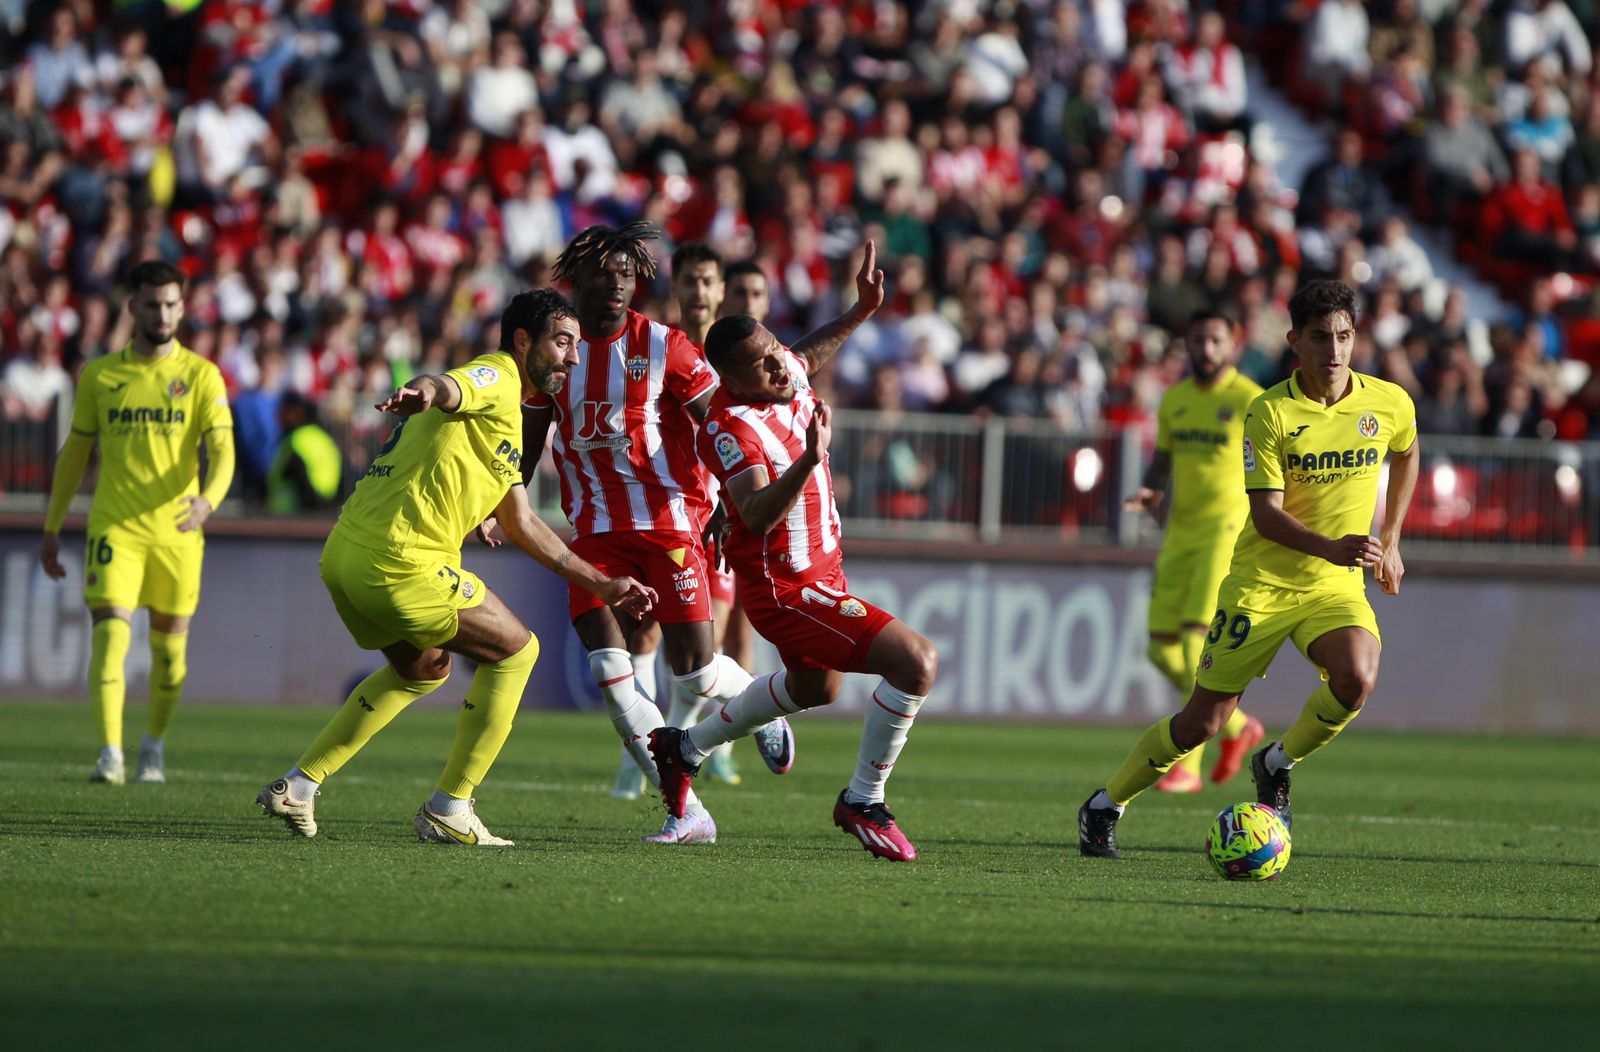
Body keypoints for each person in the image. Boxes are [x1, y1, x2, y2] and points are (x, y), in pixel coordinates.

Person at [256, 289, 654, 844]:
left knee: (421, 670)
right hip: (403, 561)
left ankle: (299, 784)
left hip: (347, 555)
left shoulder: (511, 419)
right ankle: (451, 806)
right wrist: (425, 389)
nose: (573, 357)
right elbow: (450, 386)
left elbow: (521, 523)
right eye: (562, 342)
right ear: (523, 341)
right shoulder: (498, 374)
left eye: (577, 346)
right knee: (519, 652)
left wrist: (603, 584)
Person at [1080, 280, 1420, 858]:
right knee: (1201, 725)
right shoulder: (1269, 411)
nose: (1333, 351)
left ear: (1355, 336)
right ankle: (1104, 805)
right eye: (1319, 338)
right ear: (1294, 341)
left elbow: (1409, 450)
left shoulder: (1388, 402)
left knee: (1357, 678)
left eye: (1342, 336)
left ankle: (1275, 762)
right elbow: (1265, 515)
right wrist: (1334, 547)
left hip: (1333, 585)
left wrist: (1389, 540)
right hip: (1261, 586)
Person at [650, 241, 940, 862]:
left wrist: (860, 311)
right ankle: (863, 799)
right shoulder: (729, 428)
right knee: (916, 663)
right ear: (729, 381)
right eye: (761, 366)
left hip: (822, 570)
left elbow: (808, 352)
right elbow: (753, 511)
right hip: (786, 588)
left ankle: (685, 748)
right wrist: (809, 460)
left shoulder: (786, 370)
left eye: (774, 350)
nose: (779, 368)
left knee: (816, 688)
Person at [521, 222, 767, 845]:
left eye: (626, 275)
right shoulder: (555, 352)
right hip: (593, 534)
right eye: (603, 273)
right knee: (612, 675)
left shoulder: (664, 346)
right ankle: (685, 810)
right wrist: (507, 499)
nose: (615, 285)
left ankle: (766, 705)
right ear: (578, 279)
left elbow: (722, 421)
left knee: (697, 675)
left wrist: (729, 497)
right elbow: (529, 433)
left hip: (667, 525)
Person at [608, 242, 792, 799]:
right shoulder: (659, 347)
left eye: (708, 282)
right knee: (645, 629)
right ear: (677, 287)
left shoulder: (739, 355)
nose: (698, 292)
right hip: (666, 504)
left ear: (719, 289)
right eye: (689, 281)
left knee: (705, 639)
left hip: (720, 504)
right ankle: (649, 755)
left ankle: (691, 746)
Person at [41, 259, 236, 785]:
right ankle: (110, 753)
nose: (163, 313)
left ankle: (152, 744)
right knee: (110, 638)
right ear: (133, 308)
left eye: (172, 303)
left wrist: (209, 502)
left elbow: (223, 450)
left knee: (170, 659)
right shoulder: (101, 376)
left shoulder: (201, 375)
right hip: (115, 529)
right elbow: (73, 456)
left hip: (177, 531)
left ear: (183, 306)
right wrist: (53, 526)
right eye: (152, 304)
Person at [1124, 310, 1265, 795]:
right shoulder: (1177, 398)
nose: (1206, 349)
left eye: (1215, 340)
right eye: (1198, 340)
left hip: (1224, 530)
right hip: (1179, 531)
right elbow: (1164, 454)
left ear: (1233, 343)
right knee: (1160, 649)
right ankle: (1237, 725)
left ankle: (1184, 763)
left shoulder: (1248, 398)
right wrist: (1149, 489)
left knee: (1192, 644)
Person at [265, 392, 343, 514]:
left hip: (294, 512)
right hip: (328, 507)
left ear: (297, 413)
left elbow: (287, 475)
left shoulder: (296, 439)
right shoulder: (326, 439)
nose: (279, 417)